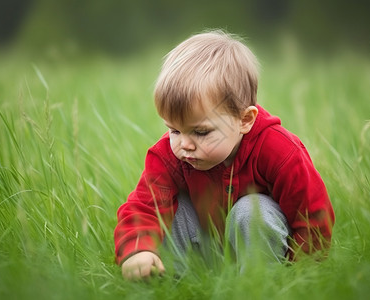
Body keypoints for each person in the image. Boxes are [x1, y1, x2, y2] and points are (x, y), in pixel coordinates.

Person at [114, 30, 335, 280]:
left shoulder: (279, 151)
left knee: (253, 210)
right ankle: (177, 286)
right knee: (172, 211)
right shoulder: (169, 155)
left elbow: (311, 214)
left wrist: (303, 276)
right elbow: (144, 205)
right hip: (203, 249)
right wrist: (137, 250)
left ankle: (258, 286)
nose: (184, 144)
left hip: (259, 254)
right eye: (174, 129)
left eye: (200, 132)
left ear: (244, 120)